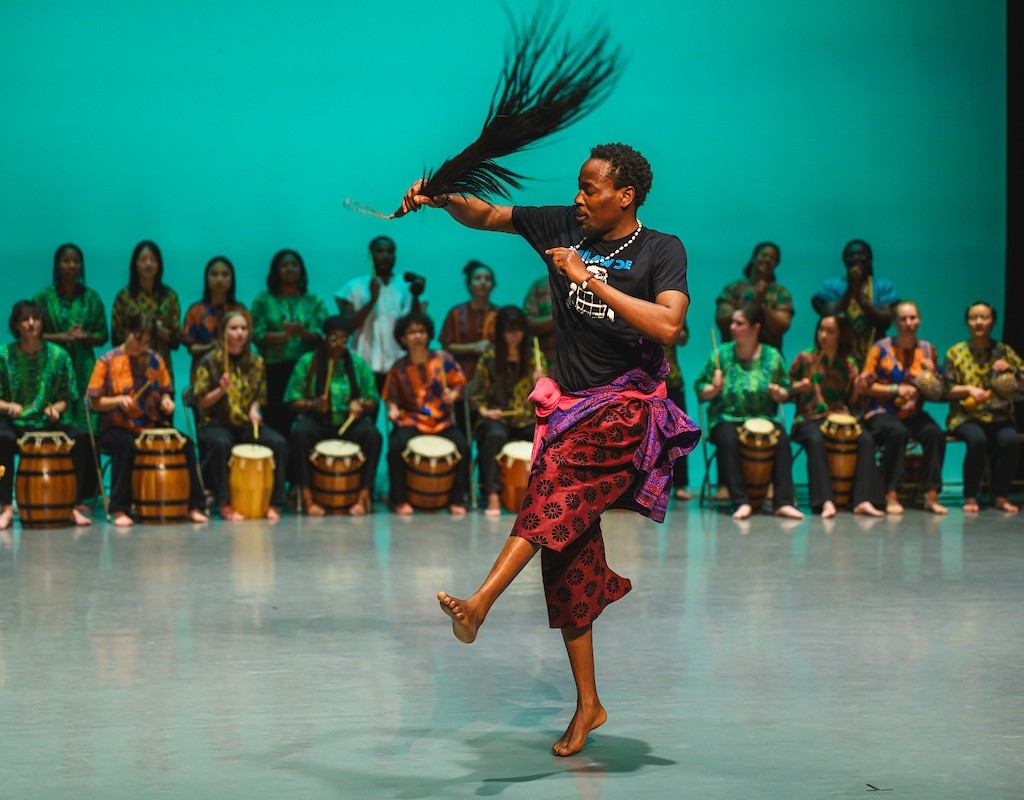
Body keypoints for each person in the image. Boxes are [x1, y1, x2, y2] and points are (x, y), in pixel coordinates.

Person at [399, 142, 700, 756]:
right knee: (567, 558)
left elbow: (670, 327)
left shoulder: (660, 250)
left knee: (552, 486)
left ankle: (479, 603)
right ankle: (589, 704)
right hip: (573, 409)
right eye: (579, 186)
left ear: (627, 196)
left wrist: (588, 280)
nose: (579, 197)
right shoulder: (563, 225)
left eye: (592, 189)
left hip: (629, 408)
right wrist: (437, 196)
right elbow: (487, 215)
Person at [86, 312, 209, 528]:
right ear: (128, 333)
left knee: (185, 444)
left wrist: (166, 401)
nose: (140, 346)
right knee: (125, 445)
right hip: (118, 426)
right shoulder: (107, 361)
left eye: (146, 342)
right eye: (137, 339)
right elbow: (94, 403)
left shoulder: (155, 359)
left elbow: (165, 392)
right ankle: (120, 508)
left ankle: (194, 505)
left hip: (151, 426)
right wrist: (117, 400)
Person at [695, 306, 804, 521]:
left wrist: (779, 393)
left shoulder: (772, 356)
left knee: (782, 438)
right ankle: (740, 501)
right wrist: (714, 389)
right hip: (726, 417)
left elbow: (786, 390)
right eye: (732, 323)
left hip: (764, 418)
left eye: (739, 323)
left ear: (755, 328)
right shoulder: (721, 355)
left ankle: (782, 502)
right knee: (728, 438)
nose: (732, 327)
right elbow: (700, 391)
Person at [0, 300, 95, 529]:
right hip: (14, 421)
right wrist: (7, 407)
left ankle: (72, 504)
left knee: (79, 439)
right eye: (25, 319)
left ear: (43, 323)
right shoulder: (3, 355)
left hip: (44, 421)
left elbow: (66, 396)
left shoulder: (59, 356)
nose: (31, 323)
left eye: (36, 318)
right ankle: (5, 507)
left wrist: (56, 409)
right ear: (16, 324)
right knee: (2, 439)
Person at [193, 310, 288, 521]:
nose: (239, 333)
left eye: (244, 329)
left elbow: (259, 396)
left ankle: (273, 502)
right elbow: (200, 401)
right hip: (215, 422)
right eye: (234, 328)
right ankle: (225, 503)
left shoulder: (256, 361)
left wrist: (254, 410)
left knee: (278, 442)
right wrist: (220, 390)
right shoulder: (211, 361)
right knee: (222, 443)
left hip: (245, 423)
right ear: (224, 332)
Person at [788, 315, 885, 517]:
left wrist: (859, 388)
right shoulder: (806, 358)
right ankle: (825, 501)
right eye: (821, 330)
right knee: (815, 440)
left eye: (830, 331)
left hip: (839, 416)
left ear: (841, 335)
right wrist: (798, 386)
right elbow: (785, 388)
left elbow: (854, 402)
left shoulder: (848, 364)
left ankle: (862, 499)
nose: (823, 335)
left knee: (866, 439)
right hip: (809, 418)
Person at [285, 315, 382, 516]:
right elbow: (291, 399)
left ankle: (363, 497)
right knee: (299, 434)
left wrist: (361, 404)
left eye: (344, 340)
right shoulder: (307, 362)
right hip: (318, 422)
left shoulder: (358, 364)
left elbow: (373, 397)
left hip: (349, 423)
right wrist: (312, 405)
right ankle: (307, 497)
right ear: (324, 337)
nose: (338, 344)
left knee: (373, 436)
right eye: (333, 338)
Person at [860, 300, 948, 515]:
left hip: (912, 412)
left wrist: (933, 373)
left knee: (934, 433)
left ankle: (931, 494)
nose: (909, 323)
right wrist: (894, 390)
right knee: (897, 433)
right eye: (904, 318)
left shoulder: (928, 349)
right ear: (895, 322)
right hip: (881, 411)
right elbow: (865, 387)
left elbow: (938, 390)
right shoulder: (881, 348)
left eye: (913, 318)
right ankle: (891, 493)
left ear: (919, 320)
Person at [383, 311, 470, 516]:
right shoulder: (399, 368)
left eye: (421, 331)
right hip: (412, 420)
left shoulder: (442, 359)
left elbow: (459, 383)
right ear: (403, 338)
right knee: (395, 447)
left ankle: (458, 499)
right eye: (412, 332)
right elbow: (391, 398)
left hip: (441, 421)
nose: (417, 336)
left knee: (463, 447)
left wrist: (454, 394)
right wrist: (393, 410)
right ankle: (399, 499)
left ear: (428, 334)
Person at [943, 301, 1022, 514]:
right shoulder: (955, 352)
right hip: (965, 417)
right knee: (977, 440)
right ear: (967, 322)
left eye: (984, 317)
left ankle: (1001, 496)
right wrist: (968, 389)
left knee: (1010, 441)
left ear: (993, 322)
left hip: (998, 416)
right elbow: (945, 390)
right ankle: (970, 495)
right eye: (973, 318)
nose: (978, 322)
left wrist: (1012, 371)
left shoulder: (1003, 351)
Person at [470, 305, 545, 516]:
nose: (514, 336)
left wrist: (540, 382)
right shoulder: (489, 359)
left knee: (543, 436)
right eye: (508, 331)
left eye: (518, 330)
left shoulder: (534, 358)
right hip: (497, 418)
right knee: (494, 435)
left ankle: (538, 494)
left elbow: (545, 398)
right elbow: (476, 397)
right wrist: (485, 412)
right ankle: (493, 493)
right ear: (500, 332)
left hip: (526, 417)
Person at [251, 249, 328, 438]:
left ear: (302, 270)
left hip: (306, 371)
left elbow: (323, 334)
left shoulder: (314, 300)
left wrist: (302, 333)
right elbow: (256, 334)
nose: (290, 269)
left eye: (294, 265)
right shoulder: (263, 300)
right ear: (275, 270)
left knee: (305, 426)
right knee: (276, 422)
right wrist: (284, 336)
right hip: (273, 369)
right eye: (284, 265)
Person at [335, 236, 426, 395]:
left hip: (400, 362)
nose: (385, 256)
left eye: (390, 252)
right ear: (371, 255)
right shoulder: (354, 286)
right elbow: (348, 326)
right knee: (366, 415)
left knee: (401, 416)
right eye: (380, 251)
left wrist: (416, 295)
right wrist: (372, 300)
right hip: (364, 363)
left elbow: (416, 324)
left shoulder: (405, 286)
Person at [34, 243, 109, 430]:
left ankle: (87, 458)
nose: (71, 265)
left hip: (84, 365)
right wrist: (63, 336)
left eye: (76, 261)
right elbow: (34, 333)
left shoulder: (91, 298)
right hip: (54, 363)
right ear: (57, 264)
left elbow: (103, 336)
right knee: (57, 413)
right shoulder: (44, 298)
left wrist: (85, 336)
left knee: (86, 417)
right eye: (66, 261)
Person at [811, 239, 898, 366]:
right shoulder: (832, 286)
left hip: (876, 356)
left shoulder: (882, 286)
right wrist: (850, 290)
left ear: (870, 258)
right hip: (839, 359)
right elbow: (830, 317)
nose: (856, 258)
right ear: (844, 260)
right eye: (851, 255)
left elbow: (885, 322)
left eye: (861, 254)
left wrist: (861, 299)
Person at [439, 260, 499, 436]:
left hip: (491, 383)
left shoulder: (499, 314)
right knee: (462, 434)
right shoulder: (456, 313)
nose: (482, 282)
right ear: (469, 284)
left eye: (487, 279)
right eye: (477, 278)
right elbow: (446, 346)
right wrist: (473, 347)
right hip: (461, 379)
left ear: (493, 285)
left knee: (487, 434)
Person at [110, 241, 182, 384]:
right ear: (135, 264)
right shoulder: (124, 296)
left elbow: (175, 340)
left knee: (163, 404)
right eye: (143, 260)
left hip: (160, 365)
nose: (148, 264)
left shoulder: (169, 296)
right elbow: (116, 336)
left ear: (159, 264)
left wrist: (157, 330)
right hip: (130, 365)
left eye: (153, 260)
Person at [715, 242, 793, 352]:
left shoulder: (780, 293)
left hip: (768, 359)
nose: (767, 260)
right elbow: (722, 318)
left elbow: (782, 325)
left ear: (776, 264)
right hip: (732, 357)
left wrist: (763, 306)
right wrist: (752, 305)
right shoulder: (734, 288)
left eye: (772, 259)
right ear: (754, 258)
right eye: (764, 255)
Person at [181, 256, 247, 380]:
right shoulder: (196, 310)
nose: (219, 279)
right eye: (214, 274)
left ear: (232, 278)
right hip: (202, 373)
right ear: (206, 278)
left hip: (236, 373)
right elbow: (191, 348)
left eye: (225, 274)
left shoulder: (240, 311)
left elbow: (246, 346)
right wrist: (211, 347)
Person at [663, 322, 691, 500]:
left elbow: (683, 337)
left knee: (679, 432)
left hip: (670, 378)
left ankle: (680, 484)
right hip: (643, 379)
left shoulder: (668, 301)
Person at [523, 272, 556, 370]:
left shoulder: (585, 281)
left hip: (582, 357)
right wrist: (560, 319)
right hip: (546, 361)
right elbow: (527, 323)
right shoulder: (541, 285)